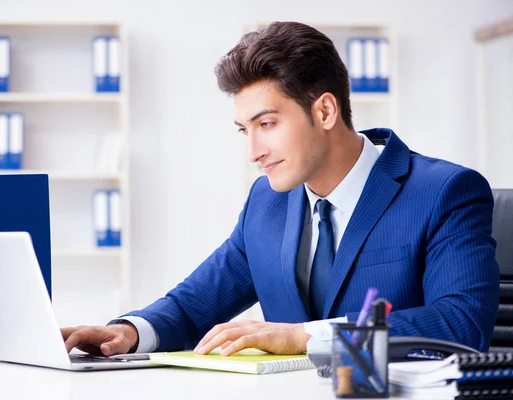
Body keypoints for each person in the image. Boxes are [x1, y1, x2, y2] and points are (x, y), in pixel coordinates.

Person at [62, 21, 500, 357]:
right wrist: (129, 331)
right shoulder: (266, 202)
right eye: (244, 130)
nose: (254, 151)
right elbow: (194, 306)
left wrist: (304, 337)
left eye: (267, 124)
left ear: (325, 110)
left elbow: (461, 322)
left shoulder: (443, 192)